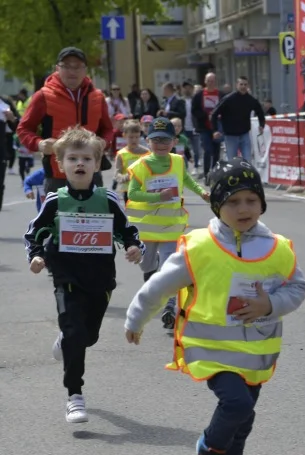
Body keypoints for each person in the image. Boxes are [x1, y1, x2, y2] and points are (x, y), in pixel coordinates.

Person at [124, 160, 305, 455]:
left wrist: (270, 303)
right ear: (217, 205)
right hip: (211, 351)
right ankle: (208, 448)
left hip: (256, 352)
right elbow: (158, 286)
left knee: (244, 422)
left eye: (251, 200)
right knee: (236, 406)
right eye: (233, 201)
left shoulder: (278, 248)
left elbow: (298, 288)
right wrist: (136, 318)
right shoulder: (199, 247)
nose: (243, 209)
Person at [23, 126, 144, 423]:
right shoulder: (55, 201)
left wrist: (133, 247)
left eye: (86, 159)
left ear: (96, 163)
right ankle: (74, 396)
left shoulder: (108, 200)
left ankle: (67, 339)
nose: (80, 164)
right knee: (76, 334)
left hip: (100, 278)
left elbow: (127, 231)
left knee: (87, 336)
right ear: (61, 164)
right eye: (73, 158)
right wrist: (37, 255)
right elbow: (34, 233)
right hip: (67, 276)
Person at [126, 117, 210, 331]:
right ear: (148, 141)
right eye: (156, 140)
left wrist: (201, 192)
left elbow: (187, 180)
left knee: (168, 268)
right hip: (146, 228)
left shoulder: (178, 161)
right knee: (147, 266)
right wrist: (157, 197)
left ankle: (169, 307)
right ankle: (154, 289)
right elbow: (133, 193)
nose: (161, 145)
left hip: (171, 227)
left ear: (174, 140)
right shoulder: (141, 165)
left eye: (165, 140)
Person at [17, 48, 114, 194]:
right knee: (55, 217)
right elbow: (23, 129)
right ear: (57, 68)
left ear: (85, 70)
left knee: (97, 216)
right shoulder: (43, 96)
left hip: (91, 173)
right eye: (66, 66)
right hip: (57, 175)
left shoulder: (97, 97)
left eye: (77, 66)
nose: (72, 71)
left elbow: (108, 129)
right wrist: (39, 144)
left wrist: (104, 142)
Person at [210, 76, 266, 162]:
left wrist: (261, 125)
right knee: (232, 161)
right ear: (237, 85)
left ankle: (246, 175)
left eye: (245, 84)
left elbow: (260, 112)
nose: (243, 86)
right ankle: (233, 175)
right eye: (241, 84)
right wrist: (215, 130)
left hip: (245, 134)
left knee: (247, 160)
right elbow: (214, 113)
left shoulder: (251, 100)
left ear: (248, 86)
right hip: (230, 135)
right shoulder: (228, 99)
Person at [191, 73, 223, 181]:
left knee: (216, 151)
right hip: (204, 127)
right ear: (205, 81)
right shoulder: (199, 95)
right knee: (207, 150)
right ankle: (206, 174)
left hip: (217, 127)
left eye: (213, 80)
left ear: (215, 82)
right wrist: (205, 115)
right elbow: (194, 110)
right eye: (208, 80)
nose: (211, 83)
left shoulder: (220, 95)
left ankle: (215, 173)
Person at [113, 120, 149, 204]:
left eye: (137, 137)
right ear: (124, 136)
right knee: (131, 215)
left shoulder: (146, 152)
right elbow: (117, 174)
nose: (134, 140)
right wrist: (126, 177)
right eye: (131, 137)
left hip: (143, 189)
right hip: (128, 191)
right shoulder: (121, 154)